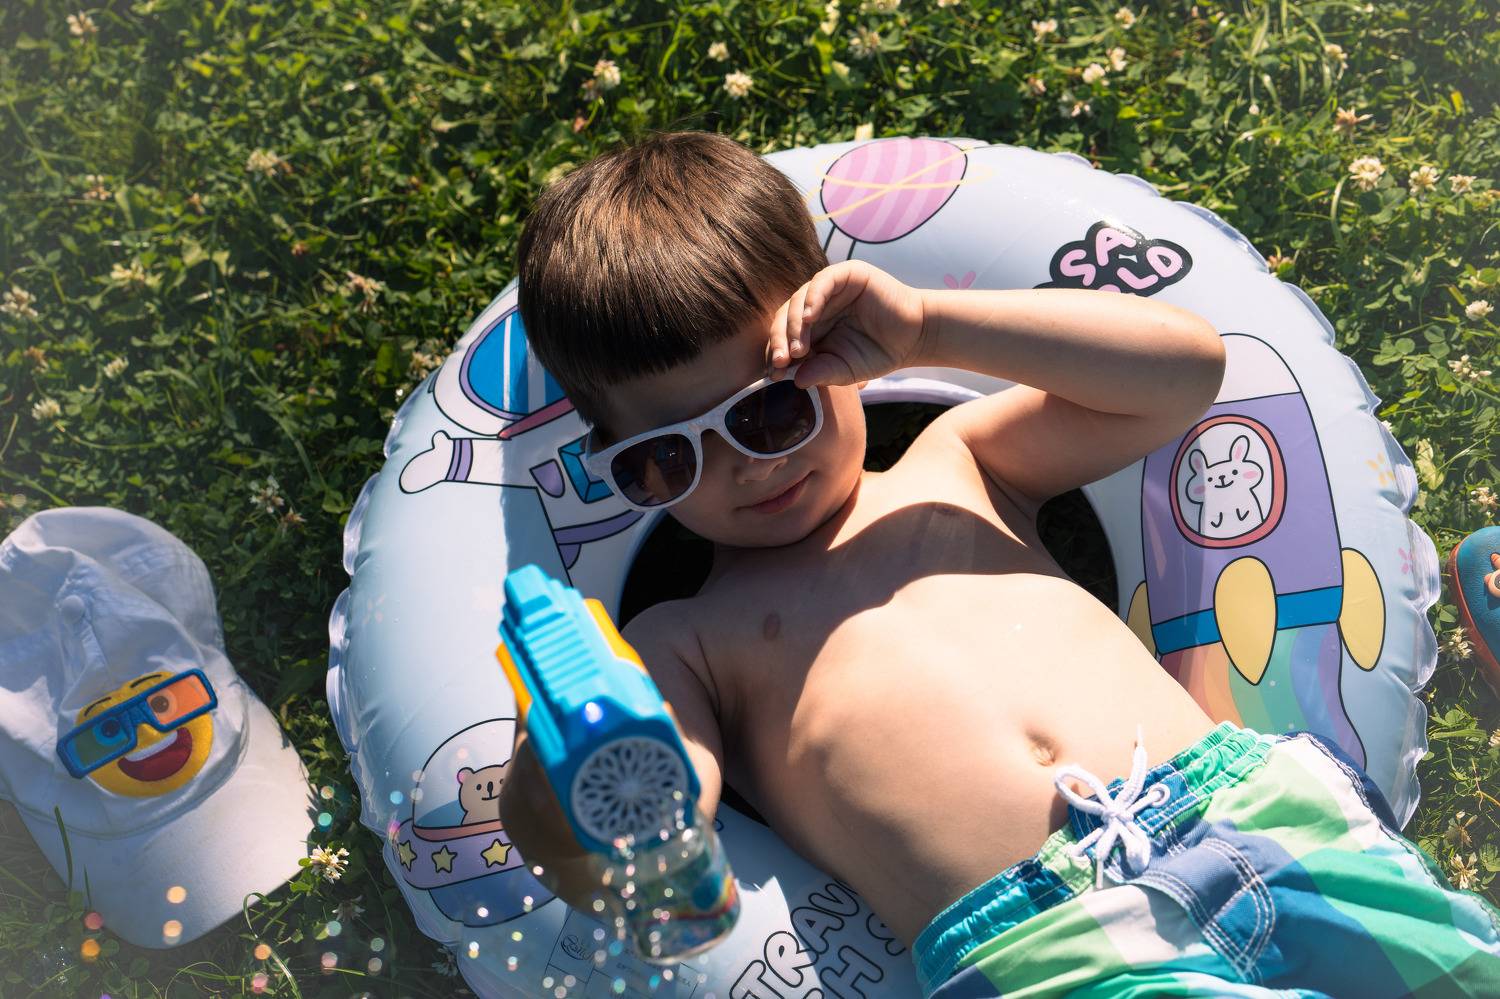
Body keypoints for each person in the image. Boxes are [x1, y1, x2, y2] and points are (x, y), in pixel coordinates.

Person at [498, 130, 1500, 996]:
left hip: (1255, 807)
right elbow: (662, 805)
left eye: (770, 410)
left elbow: (1182, 374)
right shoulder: (684, 642)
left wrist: (928, 328)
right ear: (619, 466)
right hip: (1052, 946)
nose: (743, 466)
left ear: (834, 340)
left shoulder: (959, 462)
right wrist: (567, 760)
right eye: (669, 456)